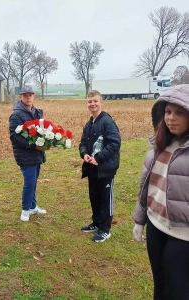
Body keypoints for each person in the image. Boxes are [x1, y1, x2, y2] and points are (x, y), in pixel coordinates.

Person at [132, 84, 189, 300]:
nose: (171, 118)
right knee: (159, 284)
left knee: (178, 290)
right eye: (167, 112)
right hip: (155, 225)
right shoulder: (160, 144)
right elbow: (147, 185)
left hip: (183, 236)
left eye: (179, 112)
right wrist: (140, 219)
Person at [79, 90, 121, 242]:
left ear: (101, 102)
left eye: (95, 101)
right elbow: (83, 143)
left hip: (105, 169)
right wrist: (84, 154)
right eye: (90, 101)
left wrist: (99, 158)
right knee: (94, 198)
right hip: (92, 169)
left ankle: (105, 229)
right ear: (87, 103)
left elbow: (115, 143)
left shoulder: (107, 121)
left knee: (105, 199)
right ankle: (96, 223)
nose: (93, 104)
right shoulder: (89, 124)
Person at [9, 86, 47, 222]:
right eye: (25, 95)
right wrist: (33, 146)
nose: (28, 97)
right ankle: (25, 210)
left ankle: (33, 206)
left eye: (30, 95)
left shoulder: (37, 113)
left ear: (33, 96)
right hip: (25, 154)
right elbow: (14, 136)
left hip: (37, 154)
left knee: (34, 181)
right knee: (29, 182)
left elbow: (42, 130)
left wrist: (47, 141)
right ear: (20, 97)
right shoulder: (16, 115)